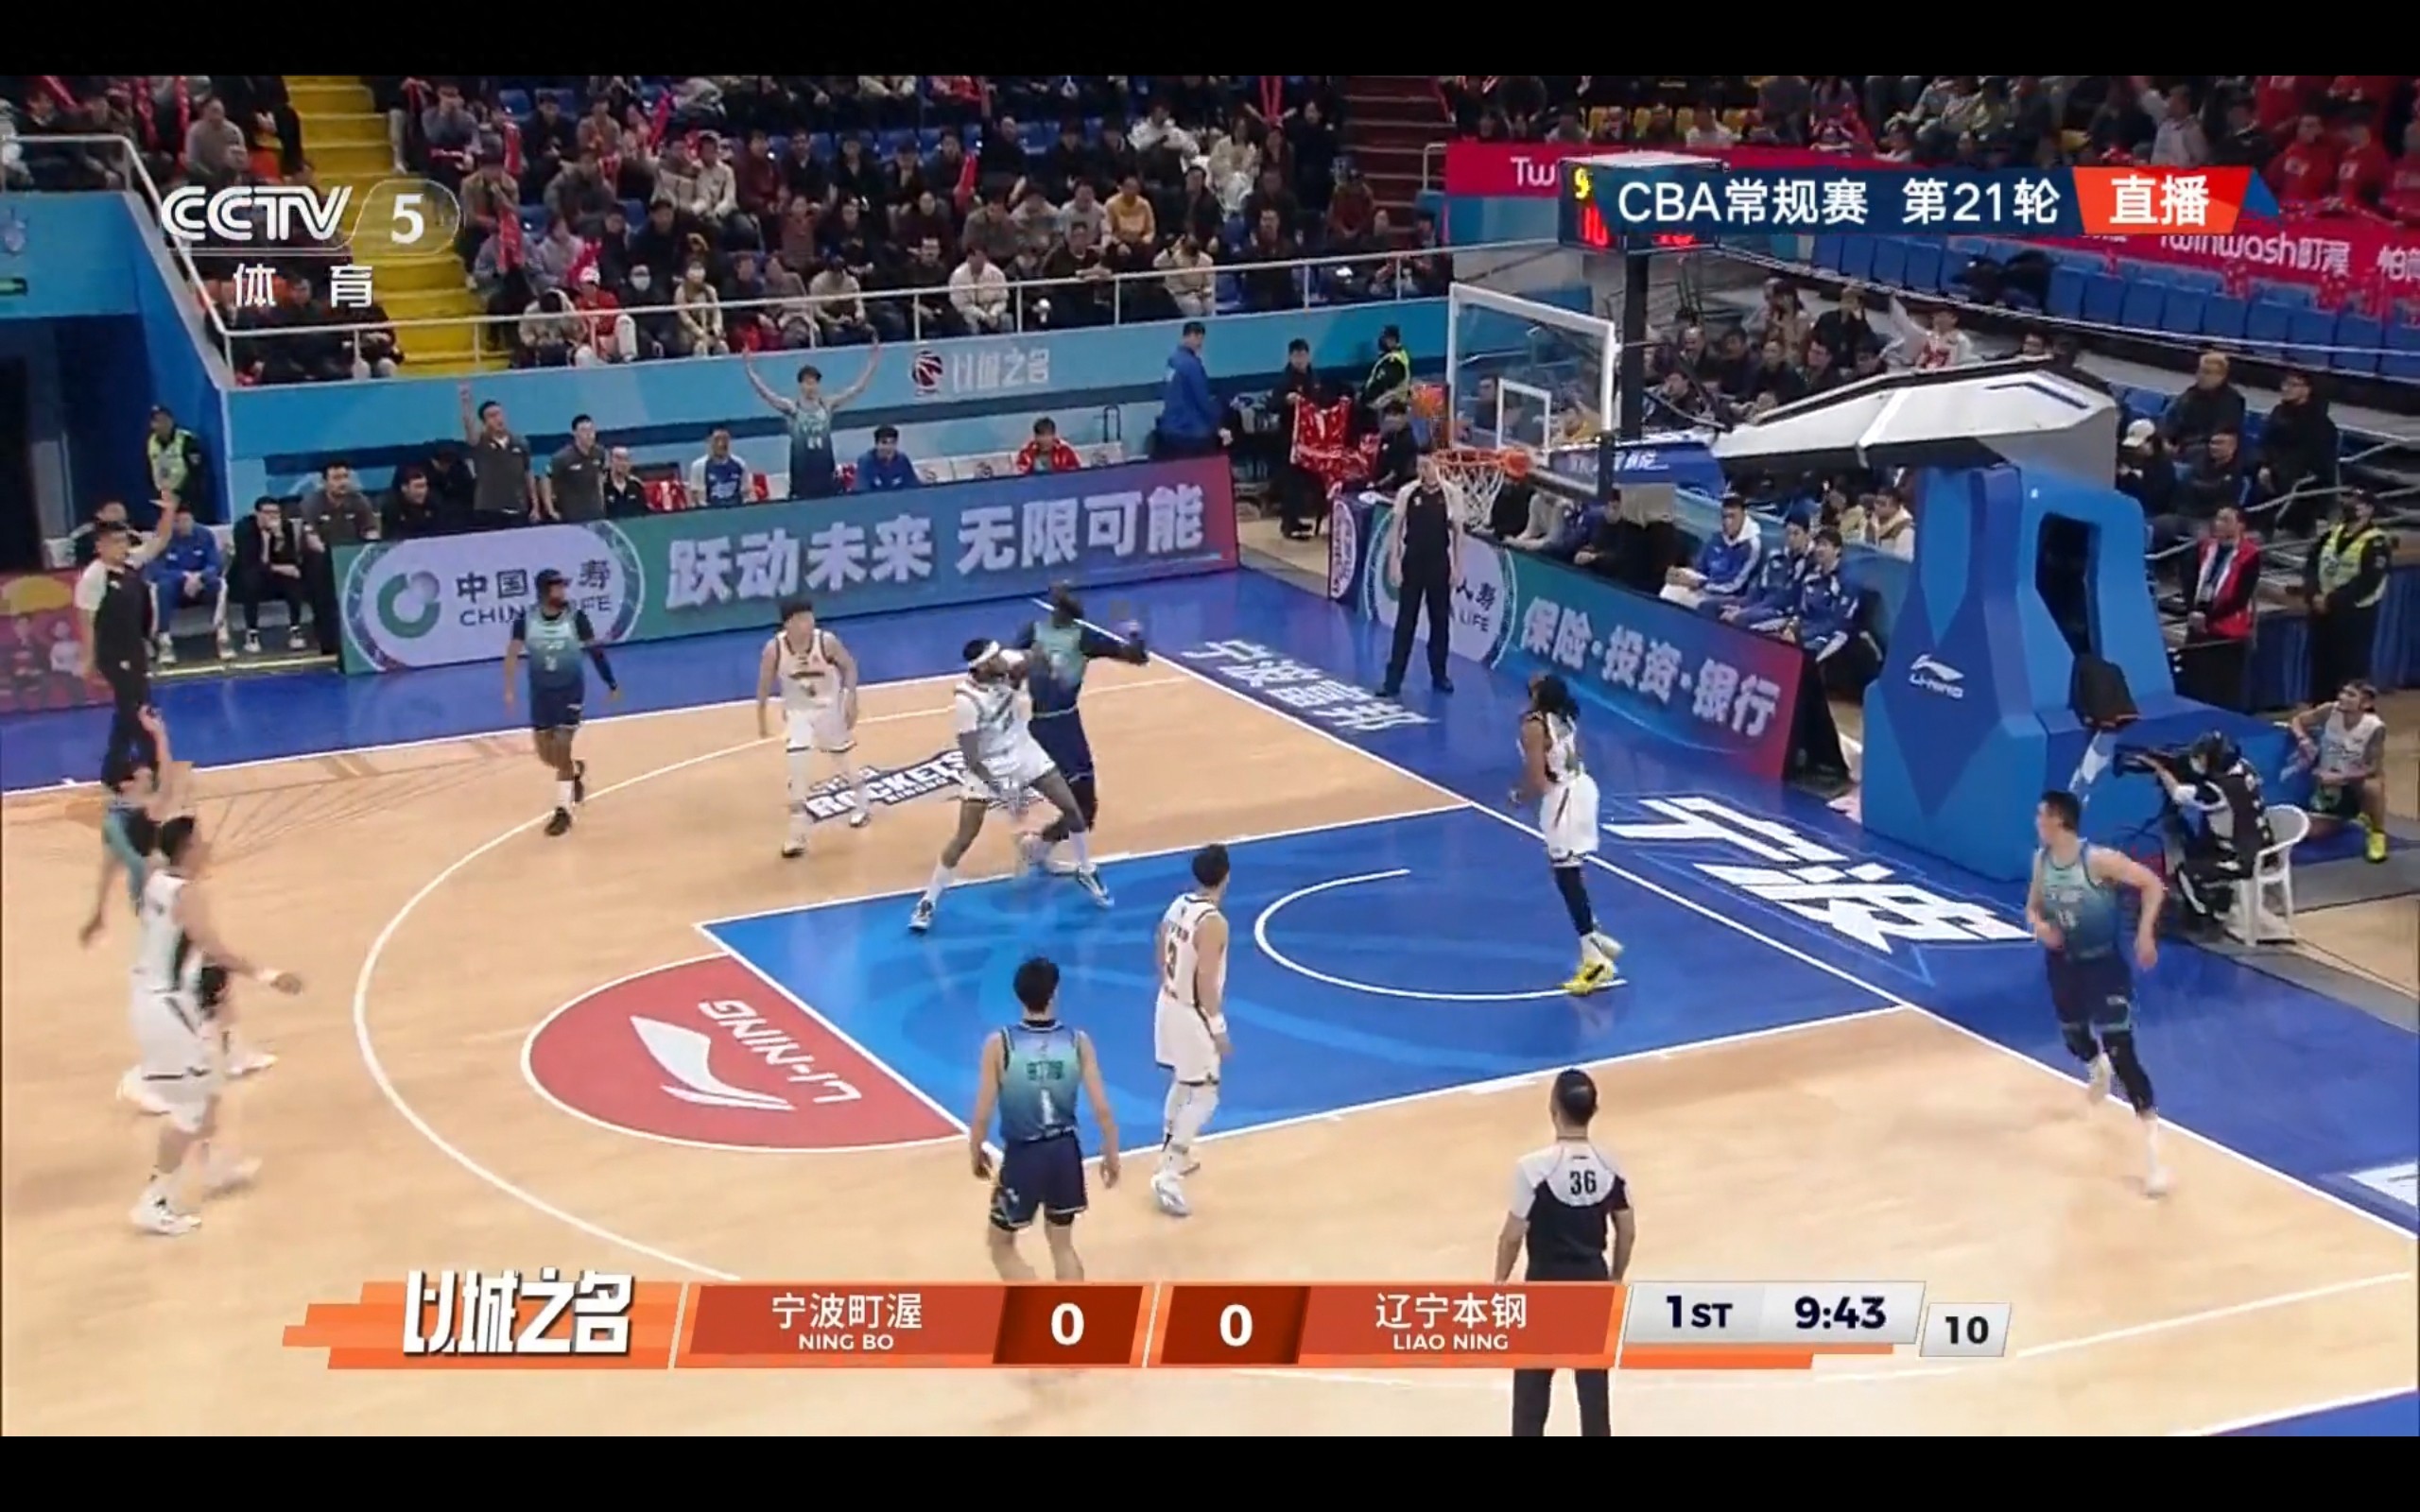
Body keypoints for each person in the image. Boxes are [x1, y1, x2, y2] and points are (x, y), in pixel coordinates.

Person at [128, 816, 304, 1235]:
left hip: (158, 1001)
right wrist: (269, 975)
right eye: (200, 841)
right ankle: (153, 1201)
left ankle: (214, 1169)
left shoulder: (156, 880)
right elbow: (214, 949)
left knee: (207, 1092)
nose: (208, 847)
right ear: (187, 849)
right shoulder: (186, 893)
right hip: (167, 1007)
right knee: (189, 1110)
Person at [2025, 790, 2170, 1196]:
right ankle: (2094, 1065)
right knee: (2074, 1036)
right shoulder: (2041, 861)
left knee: (2122, 1050)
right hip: (2063, 964)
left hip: (2103, 965)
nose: (2036, 821)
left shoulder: (2099, 860)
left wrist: (2145, 932)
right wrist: (2041, 928)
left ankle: (2154, 1153)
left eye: (2041, 814)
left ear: (2057, 819)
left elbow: (2152, 884)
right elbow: (2032, 907)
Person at [912, 640, 1112, 934]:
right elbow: (972, 759)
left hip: (1024, 752)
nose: (1000, 660)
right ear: (980, 667)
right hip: (989, 764)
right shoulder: (966, 702)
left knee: (1073, 809)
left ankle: (1086, 869)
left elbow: (1036, 655)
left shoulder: (1004, 663)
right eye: (993, 659)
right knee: (964, 837)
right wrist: (1005, 790)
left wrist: (1038, 663)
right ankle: (928, 901)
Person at [1496, 1069, 1634, 1437]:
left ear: (1553, 1109)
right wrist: (1615, 1277)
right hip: (1592, 1283)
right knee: (1594, 1397)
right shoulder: (1610, 1165)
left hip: (1545, 1285)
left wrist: (1499, 1282)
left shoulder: (1533, 1169)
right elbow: (1627, 1229)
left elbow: (1512, 1236)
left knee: (1530, 1398)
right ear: (1593, 1110)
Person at [965, 956, 1119, 1280]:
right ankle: (1072, 1310)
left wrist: (975, 1150)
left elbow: (982, 1112)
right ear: (1055, 993)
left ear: (1018, 995)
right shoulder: (1077, 1041)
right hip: (1065, 1152)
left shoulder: (1000, 1044)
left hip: (1024, 1157)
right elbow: (1102, 1108)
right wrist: (1111, 1149)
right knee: (1062, 1244)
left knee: (1000, 1244)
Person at [1010, 586, 1149, 880]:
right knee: (1080, 807)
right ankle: (1037, 844)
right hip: (1048, 728)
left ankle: (1038, 846)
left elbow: (1137, 657)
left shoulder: (1080, 637)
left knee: (1085, 808)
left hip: (1066, 724)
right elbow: (1008, 674)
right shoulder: (1034, 633)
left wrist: (1135, 636)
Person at [1512, 673, 1623, 995]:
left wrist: (1520, 796)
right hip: (1582, 787)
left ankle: (1595, 960)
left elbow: (1537, 777)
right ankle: (1594, 935)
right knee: (1568, 872)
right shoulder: (1564, 715)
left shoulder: (1533, 726)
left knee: (1567, 876)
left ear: (1538, 694)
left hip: (1564, 797)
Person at [502, 569, 622, 838]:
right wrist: (509, 689)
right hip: (541, 694)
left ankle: (563, 811)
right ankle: (575, 769)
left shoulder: (576, 617)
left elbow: (595, 651)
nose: (563, 592)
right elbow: (512, 654)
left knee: (562, 745)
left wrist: (610, 682)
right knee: (548, 756)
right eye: (557, 587)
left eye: (563, 587)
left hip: (570, 691)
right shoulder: (526, 619)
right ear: (544, 591)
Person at [1151, 844, 1233, 1218]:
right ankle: (1168, 1174)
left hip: (1167, 1001)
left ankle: (1172, 1156)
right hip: (1191, 1012)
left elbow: (1160, 942)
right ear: (1226, 876)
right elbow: (1206, 980)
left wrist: (1170, 986)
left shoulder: (1178, 904)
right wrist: (1217, 1028)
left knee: (1184, 1082)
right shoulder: (1213, 922)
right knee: (1205, 1094)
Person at [756, 596, 865, 858]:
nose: (808, 622)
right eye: (802, 618)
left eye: (809, 616)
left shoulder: (826, 641)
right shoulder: (774, 649)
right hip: (798, 713)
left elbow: (849, 667)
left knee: (841, 758)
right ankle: (797, 834)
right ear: (788, 623)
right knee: (798, 768)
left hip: (828, 708)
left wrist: (851, 697)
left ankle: (862, 800)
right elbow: (764, 684)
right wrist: (761, 718)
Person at [73, 511, 171, 782]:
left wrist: (168, 511)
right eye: (115, 542)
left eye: (124, 541)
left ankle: (113, 769)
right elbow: (86, 619)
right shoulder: (94, 577)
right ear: (100, 546)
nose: (122, 546)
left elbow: (160, 541)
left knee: (129, 707)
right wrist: (89, 658)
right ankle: (154, 763)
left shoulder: (130, 564)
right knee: (137, 709)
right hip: (113, 653)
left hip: (134, 648)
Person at [745, 347, 881, 500]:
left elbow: (856, 389)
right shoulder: (793, 408)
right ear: (801, 385)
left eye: (813, 383)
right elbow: (766, 394)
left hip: (825, 474)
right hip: (802, 477)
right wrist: (750, 371)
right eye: (807, 383)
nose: (810, 387)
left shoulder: (826, 405)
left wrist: (872, 364)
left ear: (818, 385)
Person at [1377, 455, 1461, 699]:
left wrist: (1458, 565)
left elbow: (1458, 533)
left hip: (1439, 562)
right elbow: (1396, 529)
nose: (1423, 470)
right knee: (1405, 621)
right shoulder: (1407, 492)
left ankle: (1439, 674)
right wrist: (1394, 561)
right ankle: (1393, 680)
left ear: (1437, 466)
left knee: (1440, 621)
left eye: (1427, 465)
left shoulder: (1451, 494)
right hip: (1413, 560)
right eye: (1419, 465)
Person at [2303, 490, 2391, 703]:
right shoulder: (2331, 533)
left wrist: (2331, 600)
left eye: (2358, 502)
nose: (2350, 505)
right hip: (2322, 614)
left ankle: (2351, 718)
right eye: (2350, 500)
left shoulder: (2377, 542)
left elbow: (2368, 581)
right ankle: (2320, 713)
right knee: (2321, 670)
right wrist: (2313, 594)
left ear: (2369, 510)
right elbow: (2311, 564)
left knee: (2350, 674)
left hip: (2354, 616)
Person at [2290, 680, 2389, 863]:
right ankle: (2346, 816)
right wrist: (2303, 740)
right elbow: (2298, 721)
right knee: (2309, 832)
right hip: (2328, 787)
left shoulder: (2375, 727)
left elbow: (2373, 768)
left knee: (2373, 786)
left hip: (2352, 783)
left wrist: (2341, 777)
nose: (2342, 697)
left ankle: (2377, 833)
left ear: (2366, 703)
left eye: (2351, 695)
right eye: (2343, 692)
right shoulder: (2330, 710)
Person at [146, 505, 228, 665]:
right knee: (162, 587)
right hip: (175, 586)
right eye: (178, 521)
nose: (183, 525)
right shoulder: (162, 538)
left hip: (200, 584)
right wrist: (184, 576)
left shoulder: (204, 535)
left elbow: (215, 564)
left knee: (218, 584)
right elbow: (155, 570)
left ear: (192, 520)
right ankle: (164, 640)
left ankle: (222, 635)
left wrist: (200, 576)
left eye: (186, 520)